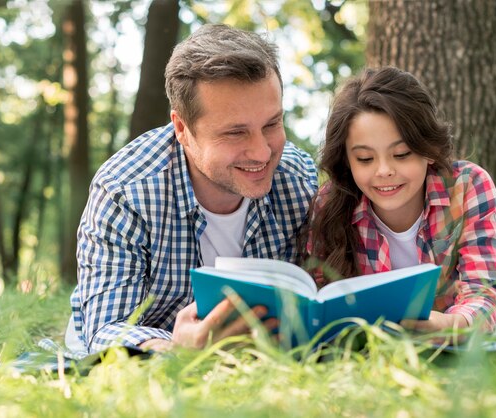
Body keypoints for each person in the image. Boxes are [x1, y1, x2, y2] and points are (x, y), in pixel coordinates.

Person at [67, 24, 318, 354]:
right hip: (160, 345)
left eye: (271, 124)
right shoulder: (124, 191)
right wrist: (175, 350)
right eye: (235, 133)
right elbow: (103, 331)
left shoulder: (298, 180)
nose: (262, 152)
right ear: (182, 129)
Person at [300, 67, 496, 336]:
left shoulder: (467, 187)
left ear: (429, 150)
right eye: (365, 159)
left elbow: (483, 294)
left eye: (402, 154)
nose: (384, 170)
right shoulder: (330, 204)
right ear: (347, 162)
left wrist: (446, 326)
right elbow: (320, 299)